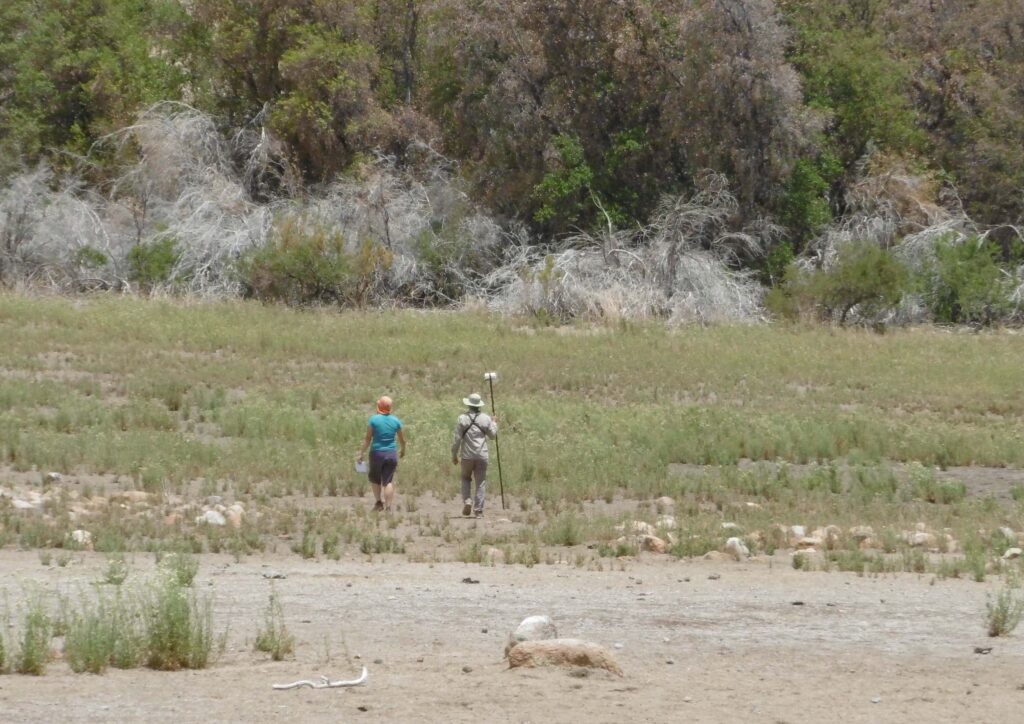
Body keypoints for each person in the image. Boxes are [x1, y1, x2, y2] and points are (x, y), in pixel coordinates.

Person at [451, 392, 498, 518]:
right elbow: (493, 436)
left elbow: (456, 440)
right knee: (480, 482)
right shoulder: (486, 418)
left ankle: (467, 501)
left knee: (466, 478)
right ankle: (479, 511)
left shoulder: (462, 418)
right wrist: (494, 422)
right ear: (479, 405)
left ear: (469, 405)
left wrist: (454, 455)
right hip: (482, 455)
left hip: (466, 455)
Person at [357, 395, 406, 512]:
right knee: (388, 481)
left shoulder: (373, 420)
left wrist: (361, 453)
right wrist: (403, 450)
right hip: (391, 453)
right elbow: (402, 439)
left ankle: (379, 502)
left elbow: (368, 439)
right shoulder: (396, 421)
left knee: (375, 479)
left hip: (376, 453)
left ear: (379, 406)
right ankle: (388, 507)